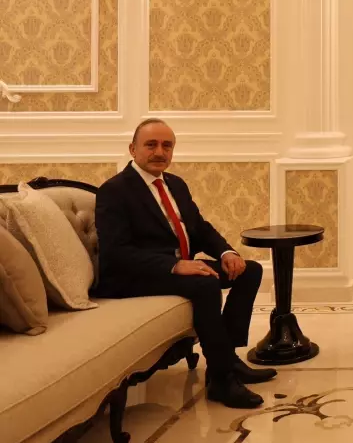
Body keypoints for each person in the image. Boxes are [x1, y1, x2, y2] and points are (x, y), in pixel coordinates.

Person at [95, 119, 275, 409]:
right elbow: (116, 253)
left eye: (167, 146)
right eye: (151, 144)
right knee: (205, 284)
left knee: (248, 270)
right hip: (132, 276)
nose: (159, 152)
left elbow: (199, 228)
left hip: (174, 267)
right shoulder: (114, 191)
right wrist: (175, 265)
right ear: (133, 149)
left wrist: (227, 252)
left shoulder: (175, 184)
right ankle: (221, 380)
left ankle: (227, 358)